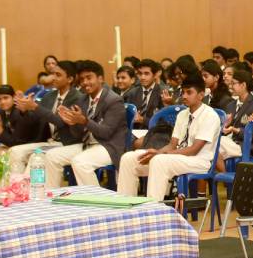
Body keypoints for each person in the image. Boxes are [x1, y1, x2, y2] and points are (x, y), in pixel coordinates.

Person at [123, 79, 221, 201]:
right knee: (128, 159)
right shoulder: (182, 115)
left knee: (159, 160)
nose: (184, 96)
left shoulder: (210, 116)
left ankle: (153, 210)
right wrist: (157, 153)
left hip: (199, 161)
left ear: (201, 95)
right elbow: (172, 145)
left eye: (189, 92)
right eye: (183, 92)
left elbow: (194, 150)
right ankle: (126, 205)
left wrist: (159, 154)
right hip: (176, 158)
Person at [41, 60, 126, 188]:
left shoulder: (113, 100)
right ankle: (50, 196)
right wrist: (72, 123)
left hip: (109, 146)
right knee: (51, 156)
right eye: (82, 79)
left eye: (89, 78)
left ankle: (96, 201)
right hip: (87, 144)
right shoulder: (83, 99)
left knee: (80, 162)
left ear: (100, 78)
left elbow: (106, 133)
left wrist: (84, 121)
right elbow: (77, 134)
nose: (85, 82)